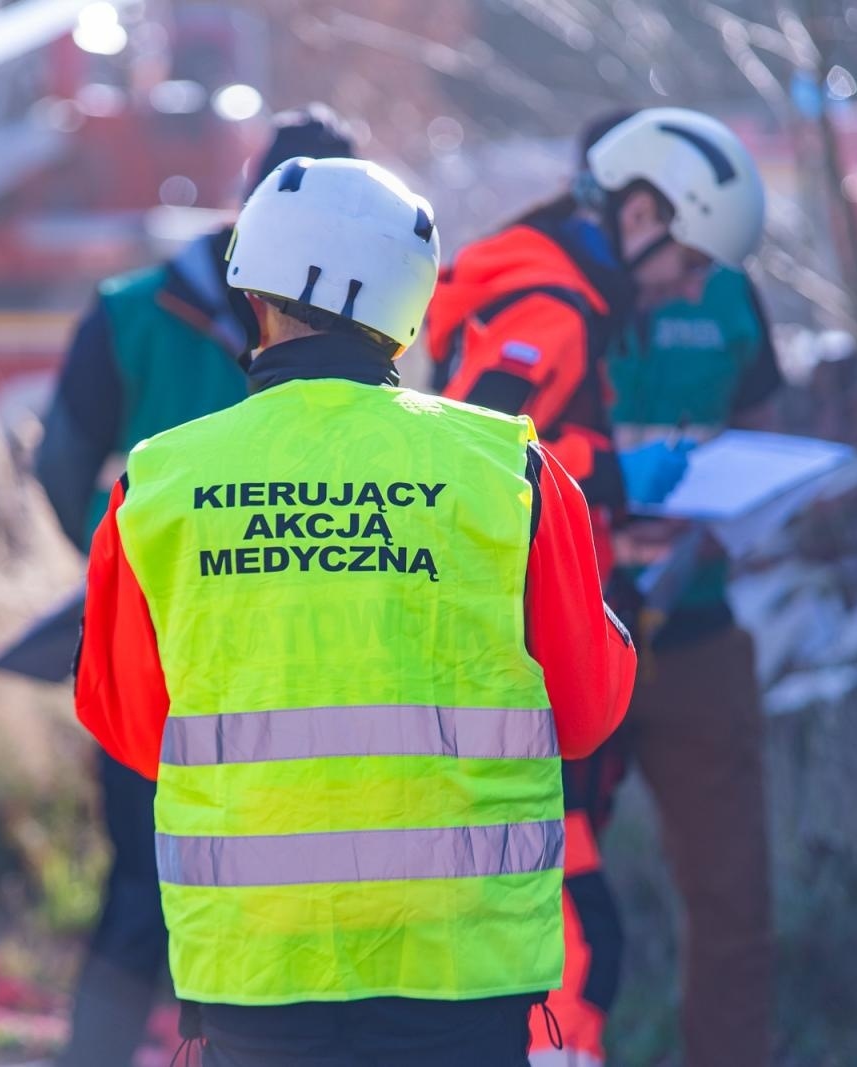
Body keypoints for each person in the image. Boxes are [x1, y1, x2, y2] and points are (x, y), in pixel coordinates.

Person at [73, 156, 638, 1066]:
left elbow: (130, 724)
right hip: (461, 964)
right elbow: (589, 713)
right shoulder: (509, 470)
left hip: (255, 965)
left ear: (253, 292)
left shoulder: (160, 480)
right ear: (407, 312)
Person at [425, 108, 766, 1067]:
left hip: (524, 665)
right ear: (645, 213)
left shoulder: (551, 287)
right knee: (574, 947)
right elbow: (479, 463)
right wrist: (615, 483)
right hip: (521, 673)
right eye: (692, 263)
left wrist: (605, 497)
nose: (692, 289)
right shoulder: (553, 307)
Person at [34, 107, 357, 1067]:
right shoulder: (362, 307)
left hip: (166, 655)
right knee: (269, 903)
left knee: (145, 890)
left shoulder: (130, 307)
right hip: (302, 663)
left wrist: (127, 575)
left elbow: (61, 466)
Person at [602, 245, 782, 1067]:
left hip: (697, 631)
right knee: (532, 892)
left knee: (732, 898)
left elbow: (764, 434)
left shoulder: (731, 296)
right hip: (569, 641)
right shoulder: (549, 291)